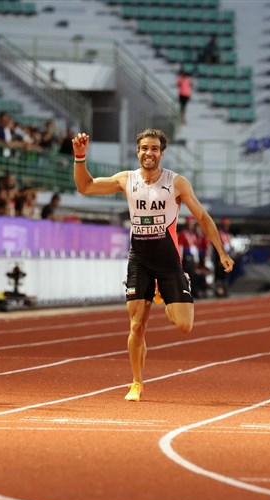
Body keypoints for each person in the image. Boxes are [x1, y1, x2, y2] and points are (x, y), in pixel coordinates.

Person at [72, 128, 234, 401]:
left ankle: (166, 291)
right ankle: (136, 383)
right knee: (137, 325)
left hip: (169, 262)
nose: (149, 153)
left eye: (155, 148)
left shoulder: (176, 183)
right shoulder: (126, 180)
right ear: (137, 151)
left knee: (184, 325)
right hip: (140, 261)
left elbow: (203, 218)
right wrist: (80, 157)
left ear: (161, 152)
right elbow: (85, 186)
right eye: (145, 148)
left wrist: (221, 252)